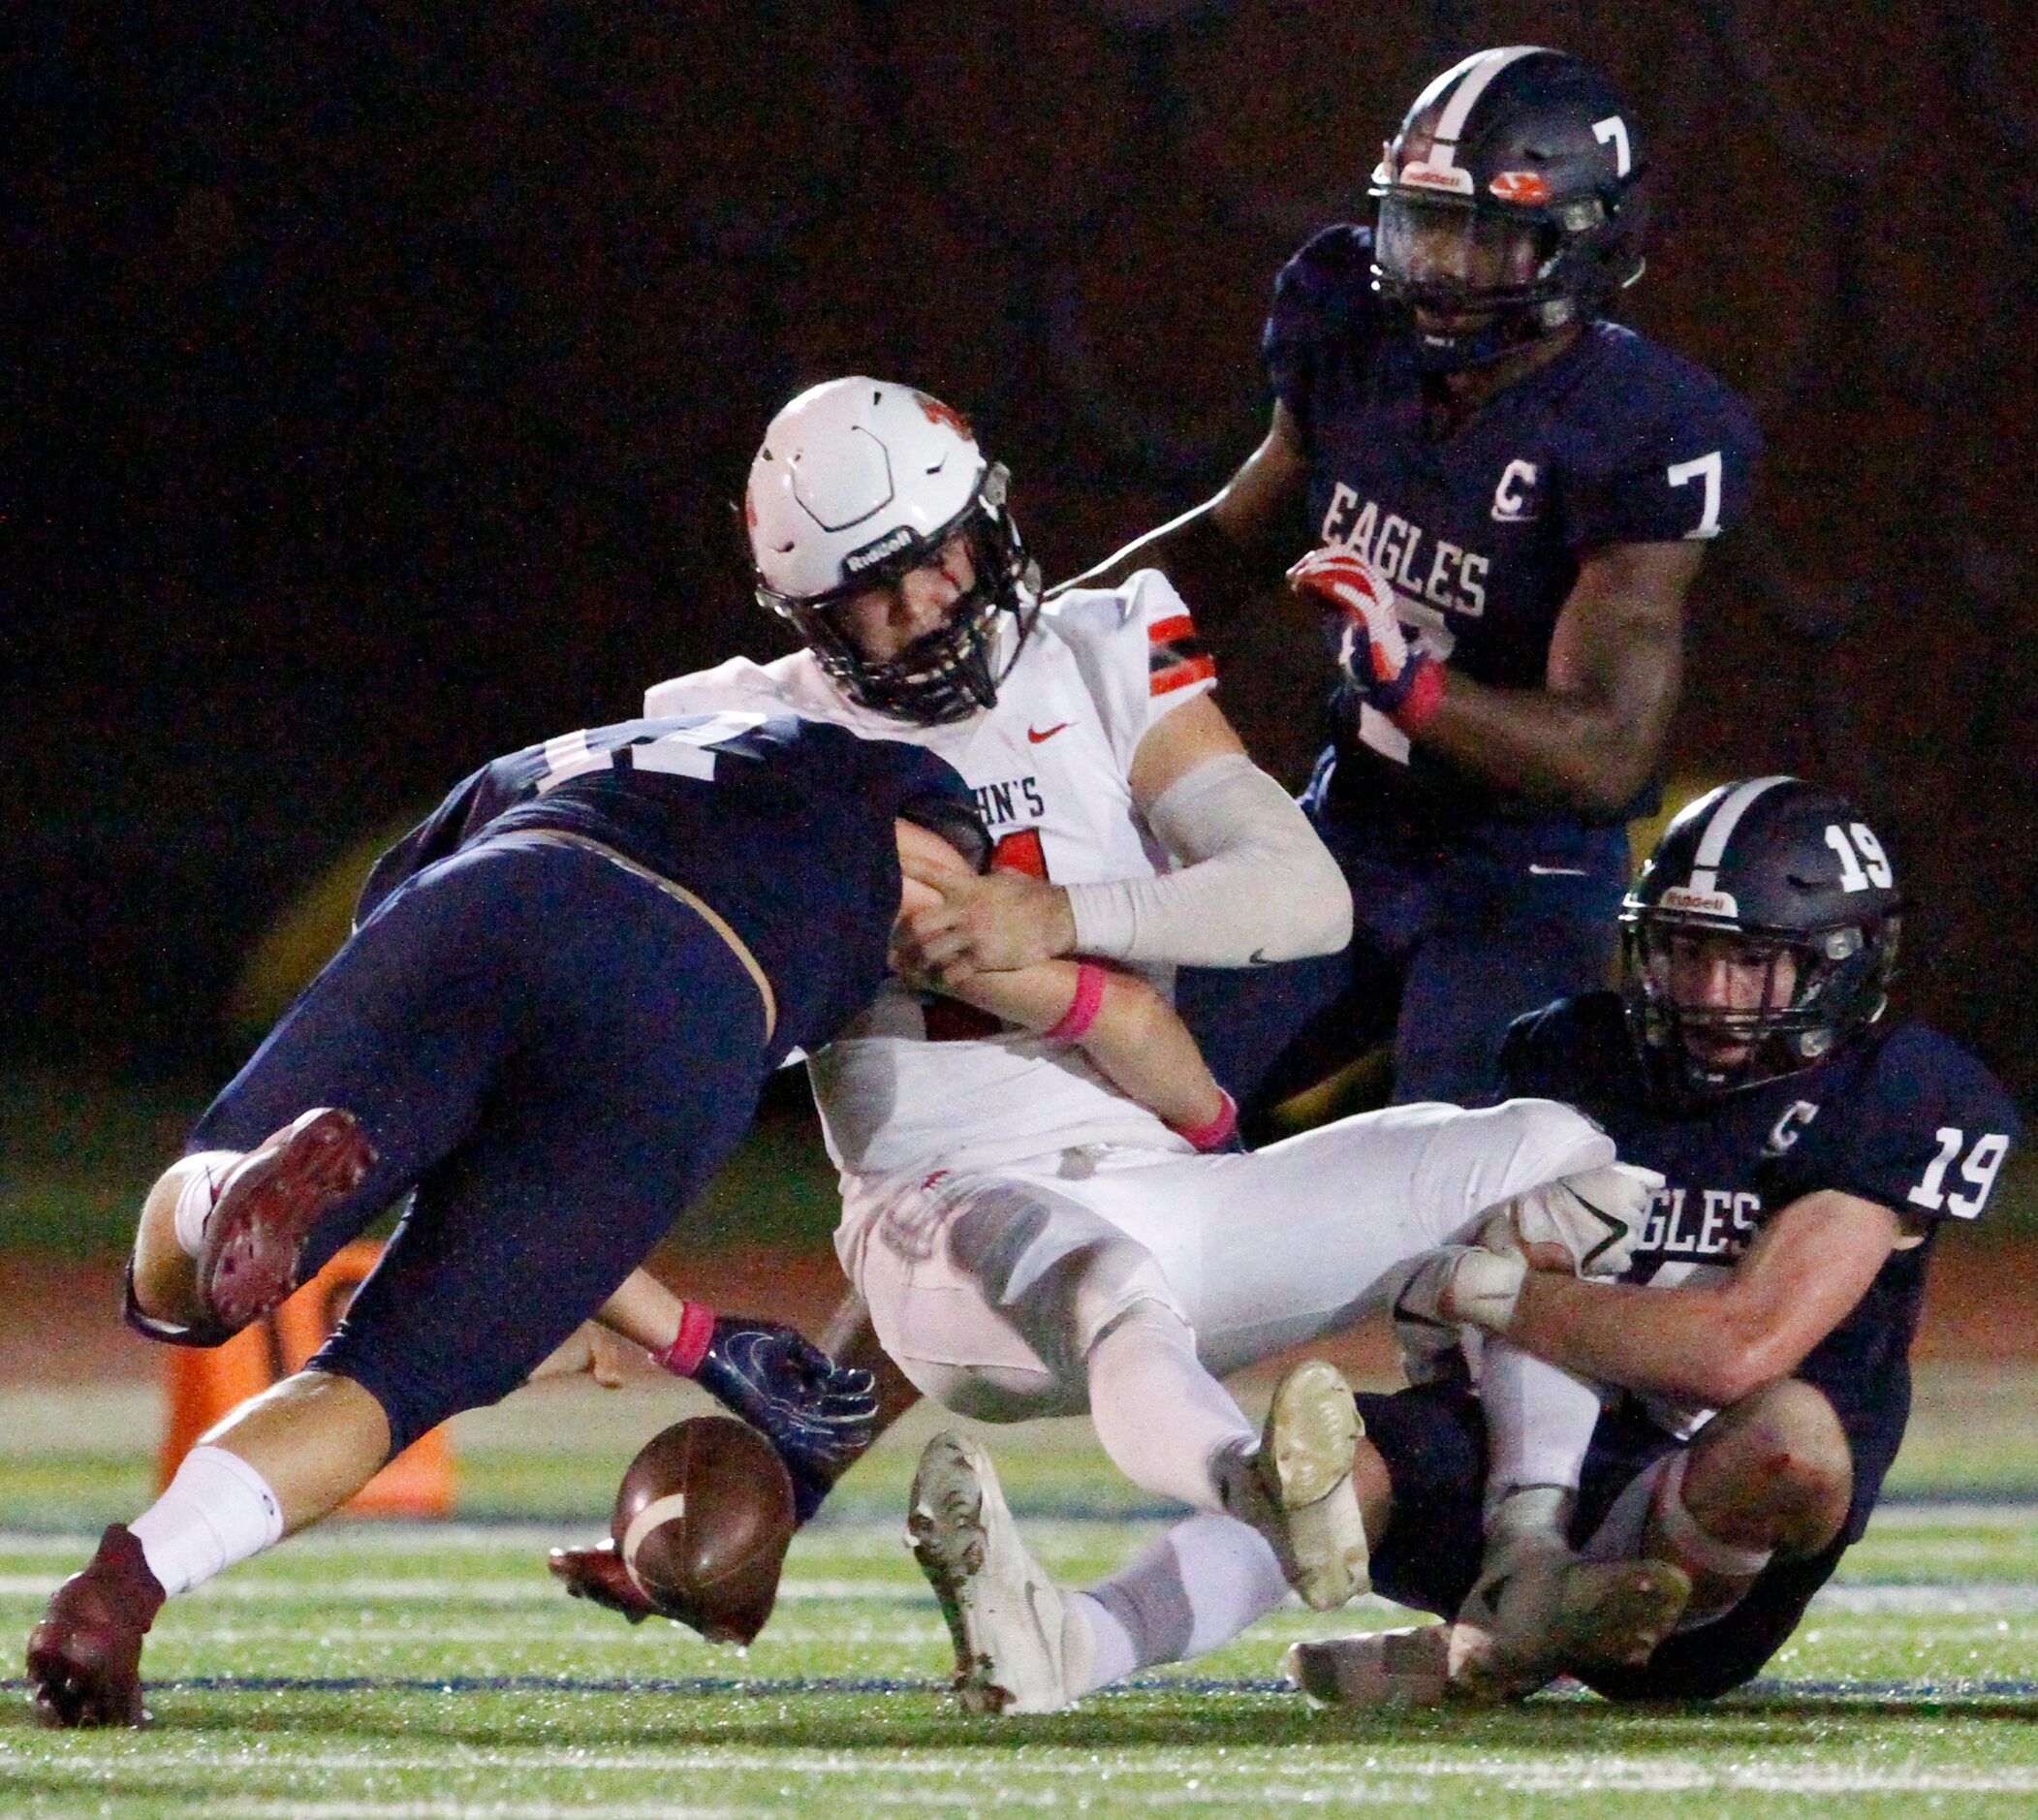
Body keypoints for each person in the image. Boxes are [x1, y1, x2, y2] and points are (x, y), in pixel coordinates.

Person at [549, 376, 1662, 1700]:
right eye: (869, 591)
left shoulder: (1097, 645)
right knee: (1103, 1280)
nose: (919, 607)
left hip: (1168, 1185)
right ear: (803, 613)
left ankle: (1521, 1551)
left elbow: (1298, 894)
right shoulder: (739, 724)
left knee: (1548, 1151)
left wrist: (1061, 915)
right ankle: (1256, 1489)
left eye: (935, 557)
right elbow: (651, 1021)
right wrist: (607, 1262)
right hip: (943, 1217)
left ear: (988, 521)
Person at [928, 777, 2020, 1711]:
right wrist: (1480, 1321)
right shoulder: (1572, 1053)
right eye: (1687, 955)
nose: (1711, 995)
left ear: (1839, 967)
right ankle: (1074, 1638)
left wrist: (1483, 1290)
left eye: (1751, 965)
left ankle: (1522, 1634)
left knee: (1794, 1436)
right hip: (1525, 1474)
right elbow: (1459, 1346)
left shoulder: (1898, 1088)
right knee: (1319, 1468)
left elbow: (1737, 1351)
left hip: (1704, 1554)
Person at [25, 709, 974, 1728]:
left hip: (489, 892)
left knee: (181, 1285)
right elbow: (948, 893)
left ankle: (215, 1210)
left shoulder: (549, 763)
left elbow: (418, 972)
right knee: (391, 1372)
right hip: (698, 991)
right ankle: (124, 1591)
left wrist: (688, 1336)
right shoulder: (858, 787)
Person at [1060, 45, 1763, 1119]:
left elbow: (1603, 749)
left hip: (1524, 875)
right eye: (1423, 225)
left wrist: (1413, 687)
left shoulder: (1641, 429)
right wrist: (1040, 637)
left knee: (1458, 1199)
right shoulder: (1350, 325)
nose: (1439, 267)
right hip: (1350, 827)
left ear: (1583, 247)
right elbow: (1227, 544)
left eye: (1484, 238)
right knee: (1118, 1106)